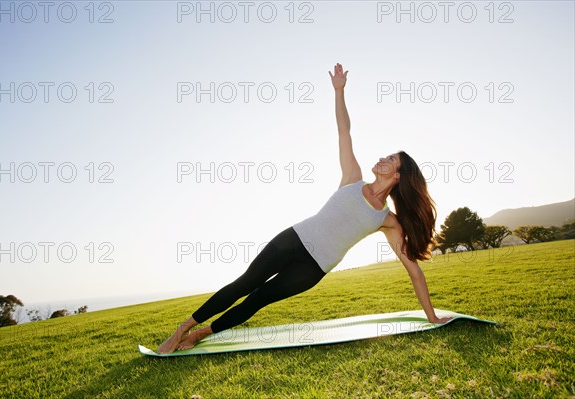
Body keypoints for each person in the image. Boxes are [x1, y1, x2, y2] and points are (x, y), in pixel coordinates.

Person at [157, 63, 454, 354]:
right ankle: (183, 327)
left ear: (398, 176)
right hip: (293, 240)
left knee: (257, 300)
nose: (383, 158)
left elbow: (413, 271)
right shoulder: (353, 178)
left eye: (391, 159)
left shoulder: (387, 220)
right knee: (244, 284)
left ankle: (201, 334)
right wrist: (339, 91)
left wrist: (430, 316)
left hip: (313, 268)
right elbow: (344, 132)